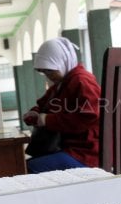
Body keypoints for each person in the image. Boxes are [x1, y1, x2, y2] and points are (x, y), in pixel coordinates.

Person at [23, 37, 101, 173]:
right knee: (23, 165)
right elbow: (44, 105)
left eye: (50, 70)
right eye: (44, 72)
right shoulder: (62, 84)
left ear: (61, 62)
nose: (48, 75)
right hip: (68, 149)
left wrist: (46, 120)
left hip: (86, 153)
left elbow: (89, 116)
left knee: (26, 168)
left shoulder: (82, 81)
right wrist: (35, 112)